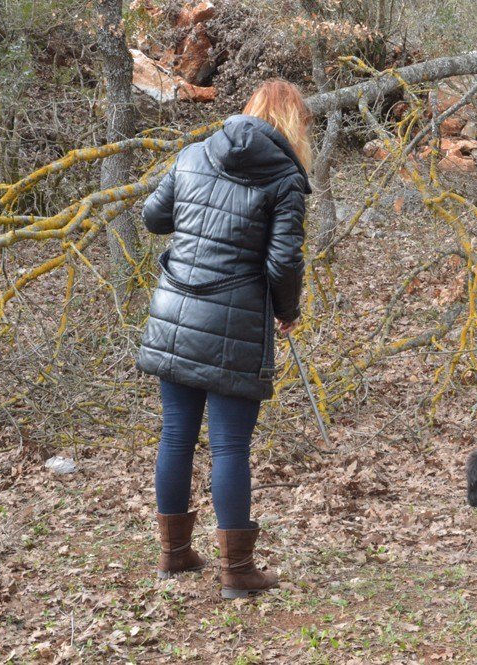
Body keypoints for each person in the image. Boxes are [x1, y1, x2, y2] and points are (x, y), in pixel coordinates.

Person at [135, 79, 312, 599]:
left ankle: (174, 556)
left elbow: (152, 217)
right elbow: (284, 261)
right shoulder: (286, 179)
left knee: (176, 436)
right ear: (294, 126)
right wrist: (288, 311)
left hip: (175, 314)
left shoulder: (193, 154)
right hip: (233, 324)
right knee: (230, 445)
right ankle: (236, 571)